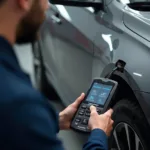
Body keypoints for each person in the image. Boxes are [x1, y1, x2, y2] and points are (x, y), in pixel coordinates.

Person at [0, 0, 114, 149]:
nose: (47, 6)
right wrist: (99, 135)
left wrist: (55, 120)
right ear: (23, 2)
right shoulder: (19, 104)